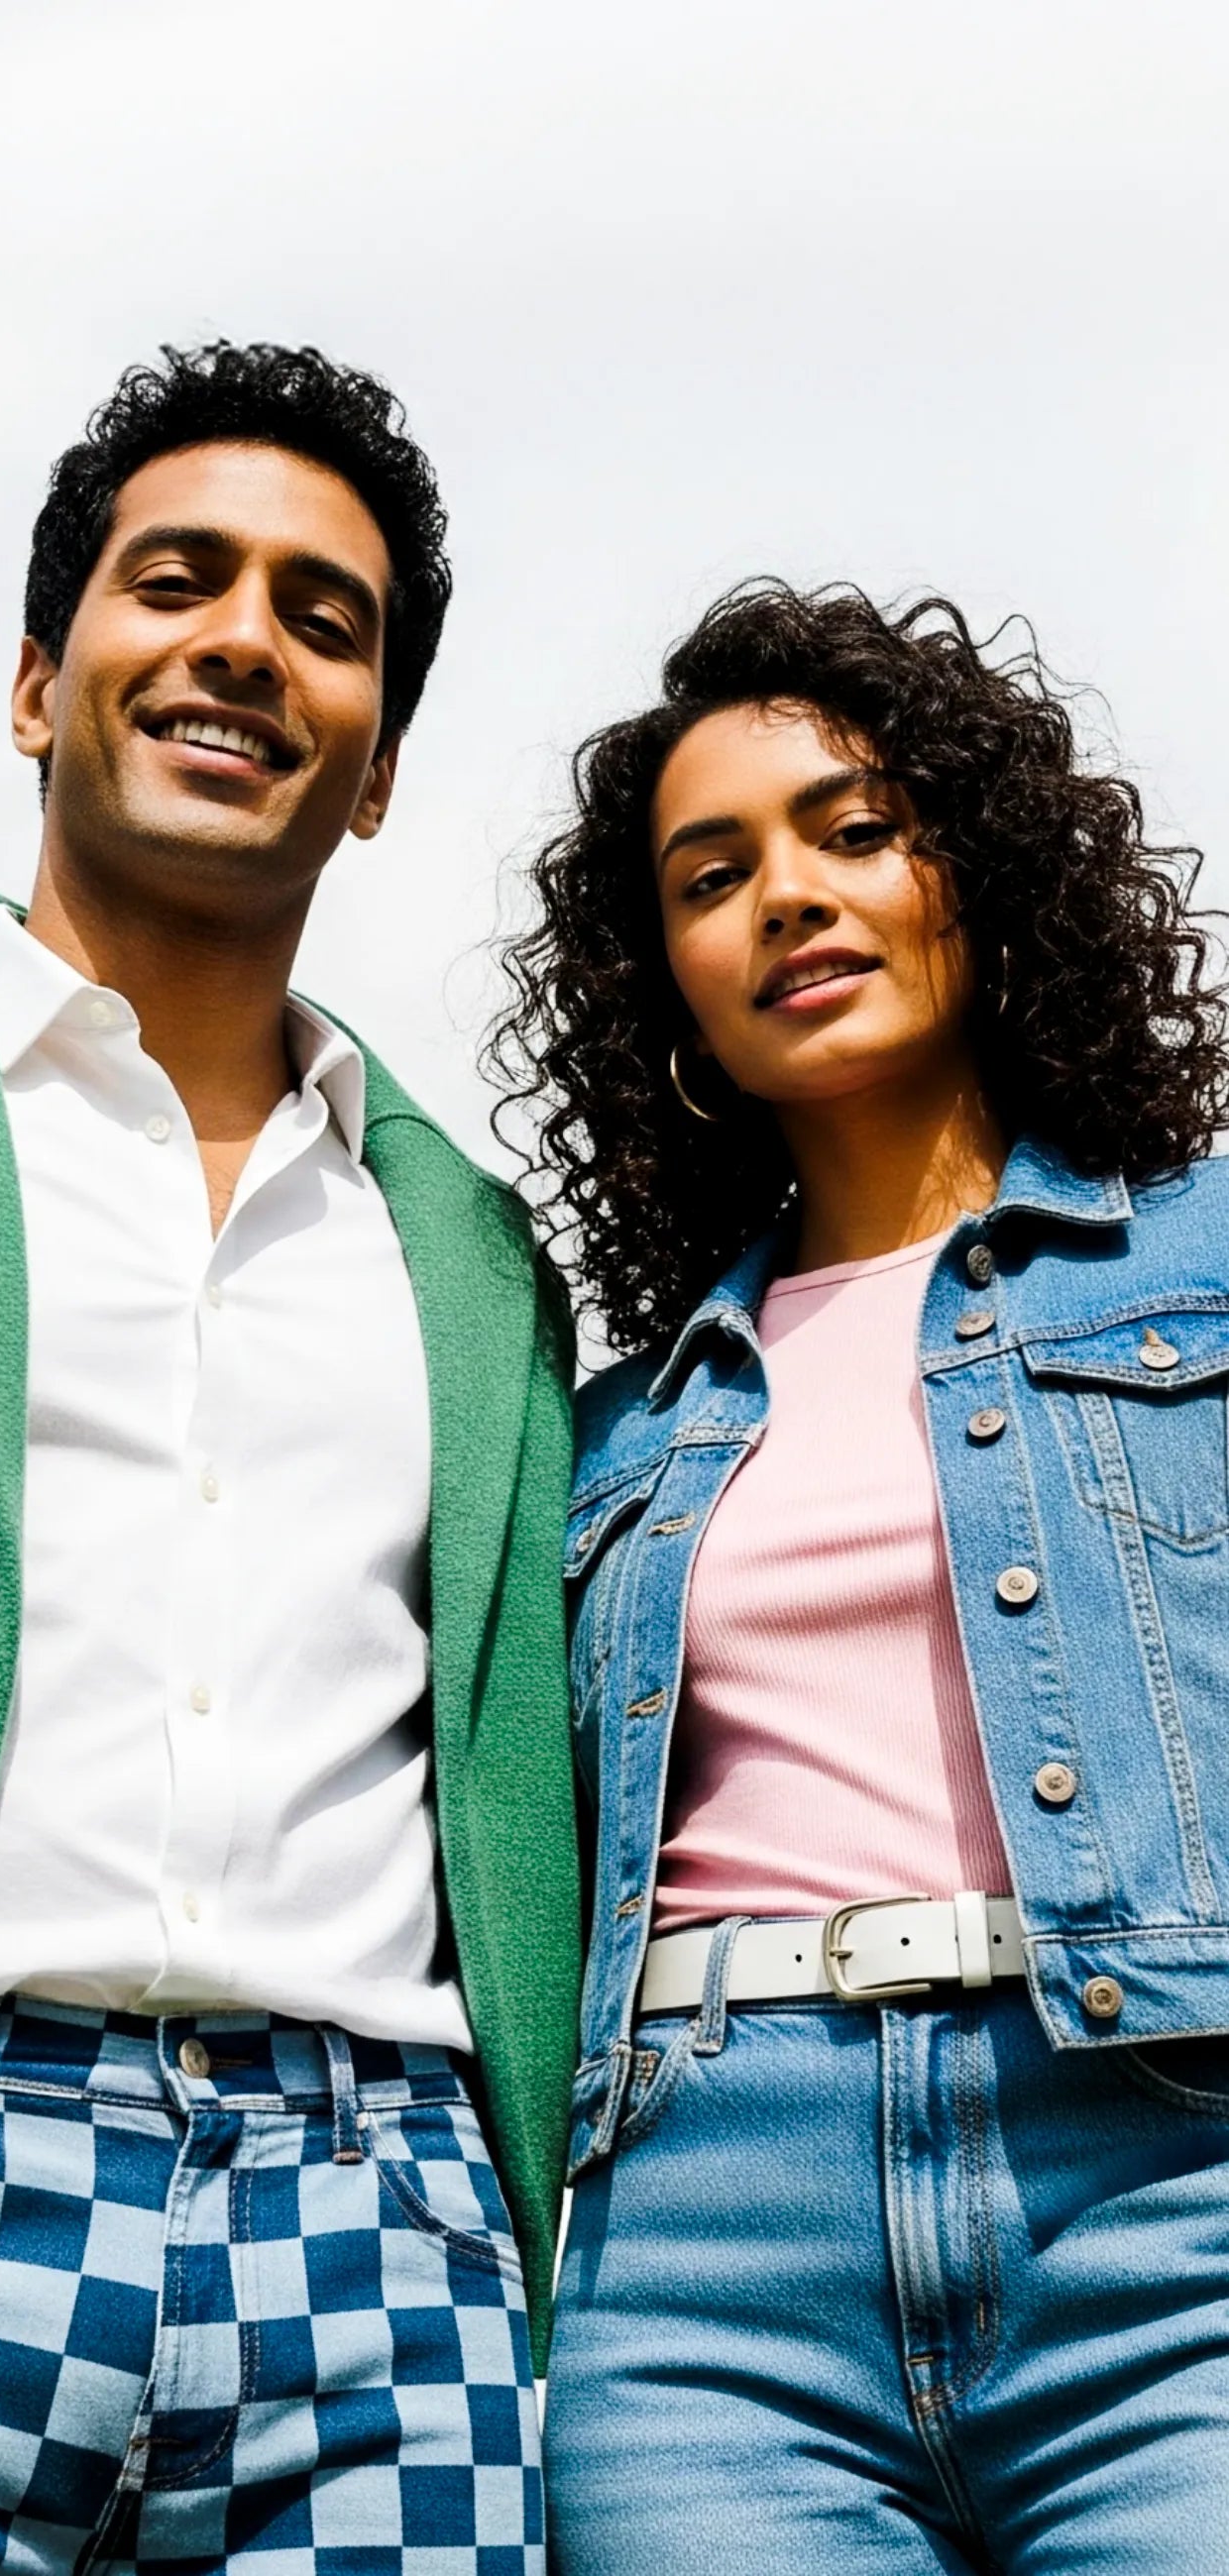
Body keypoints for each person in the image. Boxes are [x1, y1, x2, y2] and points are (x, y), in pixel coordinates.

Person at [0, 341, 579, 2575]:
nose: (243, 640)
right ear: (38, 680)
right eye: (177, 580)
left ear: (377, 766)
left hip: (387, 2248)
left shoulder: (476, 1260)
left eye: (325, 618)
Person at [492, 580, 1229, 2573]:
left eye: (852, 827)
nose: (790, 896)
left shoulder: (1212, 1265)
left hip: (1171, 2204)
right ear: (673, 992)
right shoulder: (616, 1427)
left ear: (977, 871)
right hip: (711, 2260)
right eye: (713, 874)